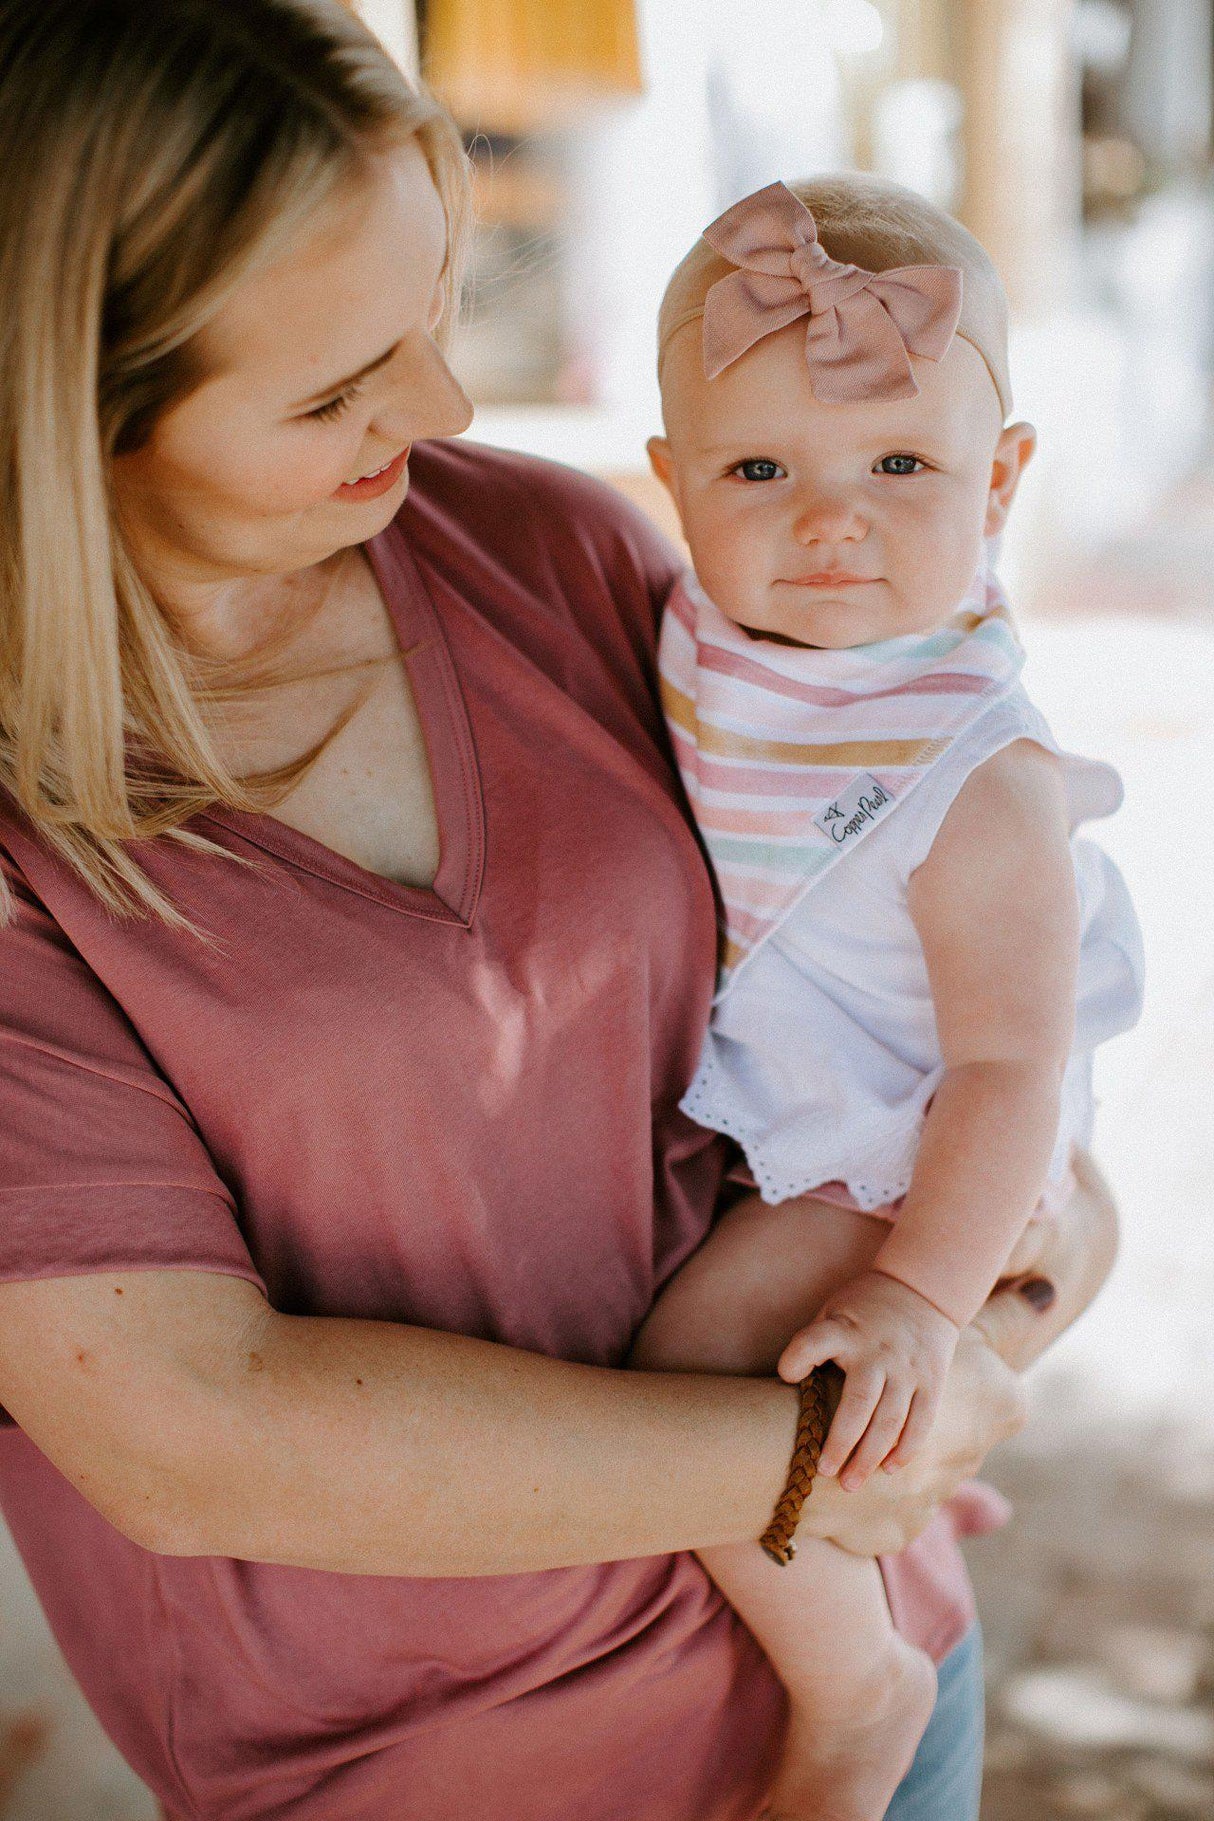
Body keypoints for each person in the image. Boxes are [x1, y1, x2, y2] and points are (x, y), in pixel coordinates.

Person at [0, 5, 1113, 1818]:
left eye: (436, 309)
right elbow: (201, 1435)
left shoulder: (549, 552)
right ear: (70, 413)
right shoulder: (29, 846)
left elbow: (908, 993)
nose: (439, 410)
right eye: (335, 384)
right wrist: (816, 1452)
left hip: (876, 1666)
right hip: (440, 1776)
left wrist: (990, 1315)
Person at [631, 176, 1143, 1820]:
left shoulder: (962, 769)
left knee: (694, 1362)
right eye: (758, 468)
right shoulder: (719, 636)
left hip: (917, 1151)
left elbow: (1006, 1057)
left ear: (998, 482)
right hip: (822, 1101)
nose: (828, 518)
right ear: (670, 485)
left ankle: (854, 1687)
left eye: (899, 466)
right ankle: (893, 1493)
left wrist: (926, 1301)